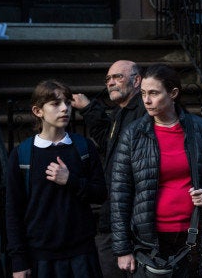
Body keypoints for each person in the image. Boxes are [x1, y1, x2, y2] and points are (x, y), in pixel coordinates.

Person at [109, 64, 202, 277]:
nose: (146, 100)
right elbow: (120, 194)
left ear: (173, 93)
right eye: (143, 94)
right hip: (150, 238)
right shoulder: (133, 134)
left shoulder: (198, 127)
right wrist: (122, 249)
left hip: (194, 231)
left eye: (154, 93)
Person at [5, 79, 107, 277]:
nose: (64, 109)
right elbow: (13, 211)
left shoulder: (83, 147)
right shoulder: (22, 155)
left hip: (82, 253)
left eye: (67, 103)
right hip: (41, 256)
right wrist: (18, 260)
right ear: (38, 111)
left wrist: (71, 180)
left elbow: (100, 193)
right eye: (55, 104)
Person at [72, 59, 145, 277]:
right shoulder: (121, 112)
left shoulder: (143, 110)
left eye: (118, 77)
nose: (111, 83)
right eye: (108, 79)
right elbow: (108, 142)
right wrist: (88, 108)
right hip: (115, 218)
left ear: (137, 80)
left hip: (130, 219)